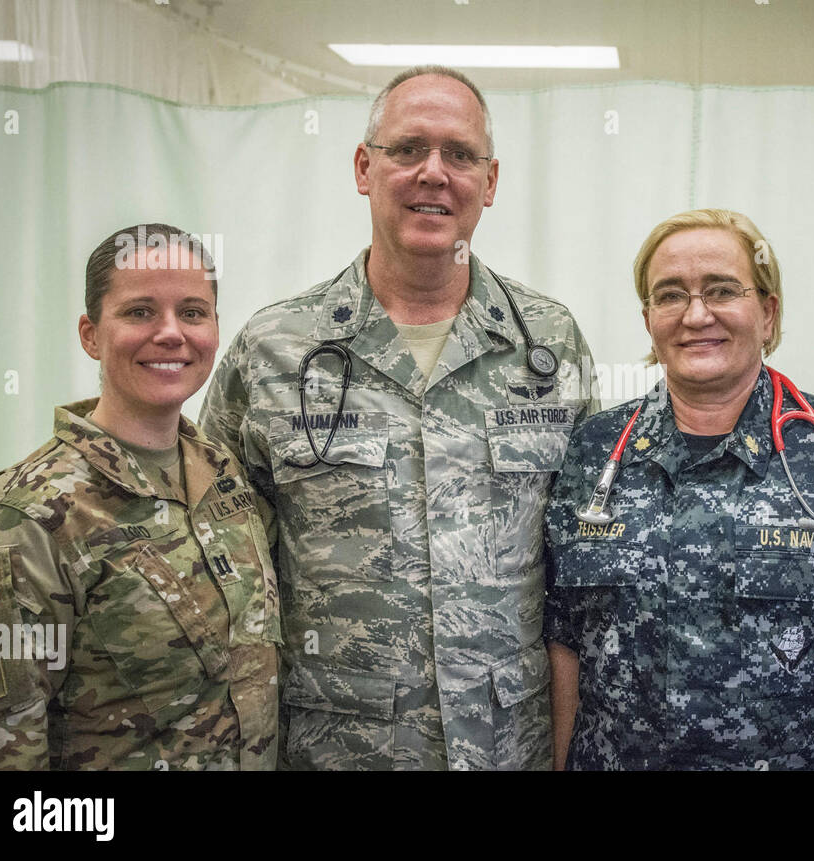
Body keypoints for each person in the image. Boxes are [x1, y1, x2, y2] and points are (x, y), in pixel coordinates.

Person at [200, 66, 598, 770]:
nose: (434, 173)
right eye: (408, 148)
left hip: (508, 747)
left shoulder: (549, 343)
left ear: (491, 181)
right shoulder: (275, 351)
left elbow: (582, 565)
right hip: (340, 747)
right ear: (364, 167)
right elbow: (221, 571)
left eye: (460, 154)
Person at [544, 209, 814, 770]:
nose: (696, 314)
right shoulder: (596, 450)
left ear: (767, 312)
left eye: (721, 290)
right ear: (648, 319)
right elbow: (566, 639)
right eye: (670, 295)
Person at [0, 224, 280, 770]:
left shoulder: (225, 476)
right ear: (90, 334)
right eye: (139, 312)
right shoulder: (26, 516)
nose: (171, 333)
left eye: (193, 312)